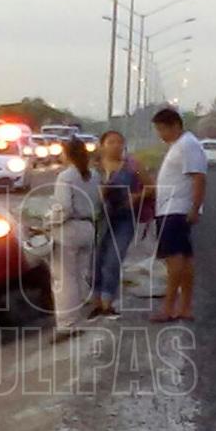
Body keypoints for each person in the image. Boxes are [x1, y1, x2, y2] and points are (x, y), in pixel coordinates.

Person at [150, 107, 207, 323]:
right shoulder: (180, 145)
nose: (160, 135)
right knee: (185, 259)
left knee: (175, 261)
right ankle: (184, 307)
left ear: (174, 126)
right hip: (171, 208)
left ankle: (169, 308)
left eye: (162, 129)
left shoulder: (187, 145)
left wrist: (195, 207)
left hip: (175, 209)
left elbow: (199, 178)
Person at [89, 130, 145, 320]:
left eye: (119, 142)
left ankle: (108, 302)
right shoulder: (93, 168)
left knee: (113, 259)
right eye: (111, 142)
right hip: (98, 219)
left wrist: (135, 197)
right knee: (95, 260)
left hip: (124, 219)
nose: (116, 146)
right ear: (102, 145)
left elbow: (151, 187)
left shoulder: (132, 166)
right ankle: (95, 301)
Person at [47, 137, 100, 331]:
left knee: (64, 278)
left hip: (69, 230)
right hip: (88, 227)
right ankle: (80, 317)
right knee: (80, 275)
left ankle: (67, 323)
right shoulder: (93, 175)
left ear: (67, 154)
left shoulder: (66, 176)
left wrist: (48, 221)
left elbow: (64, 208)